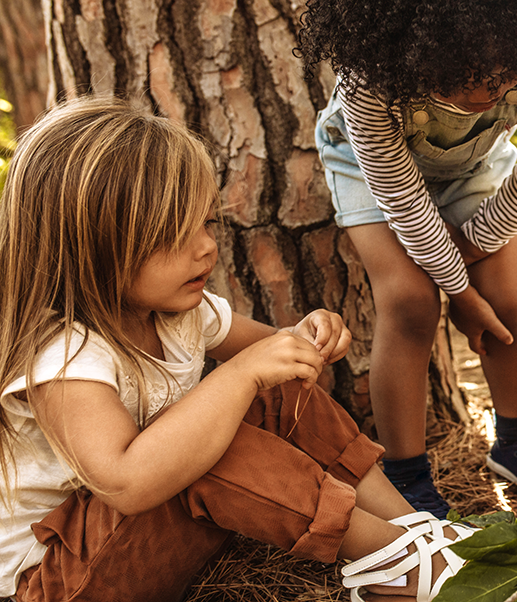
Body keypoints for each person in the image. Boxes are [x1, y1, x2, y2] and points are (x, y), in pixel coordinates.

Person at [0, 97, 474, 602]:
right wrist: (240, 374)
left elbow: (278, 355)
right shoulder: (65, 356)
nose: (206, 247)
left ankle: (412, 533)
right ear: (88, 247)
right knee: (211, 442)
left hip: (136, 542)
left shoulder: (183, 312)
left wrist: (306, 335)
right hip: (57, 580)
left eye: (206, 223)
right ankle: (392, 564)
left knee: (277, 392)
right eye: (172, 234)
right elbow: (126, 484)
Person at [295, 0, 517, 517]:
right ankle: (407, 475)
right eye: (454, 78)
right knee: (410, 303)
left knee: (505, 300)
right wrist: (458, 293)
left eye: (498, 78)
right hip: (370, 170)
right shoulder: (369, 76)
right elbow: (401, 199)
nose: (480, 95)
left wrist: (468, 253)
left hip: (477, 163)